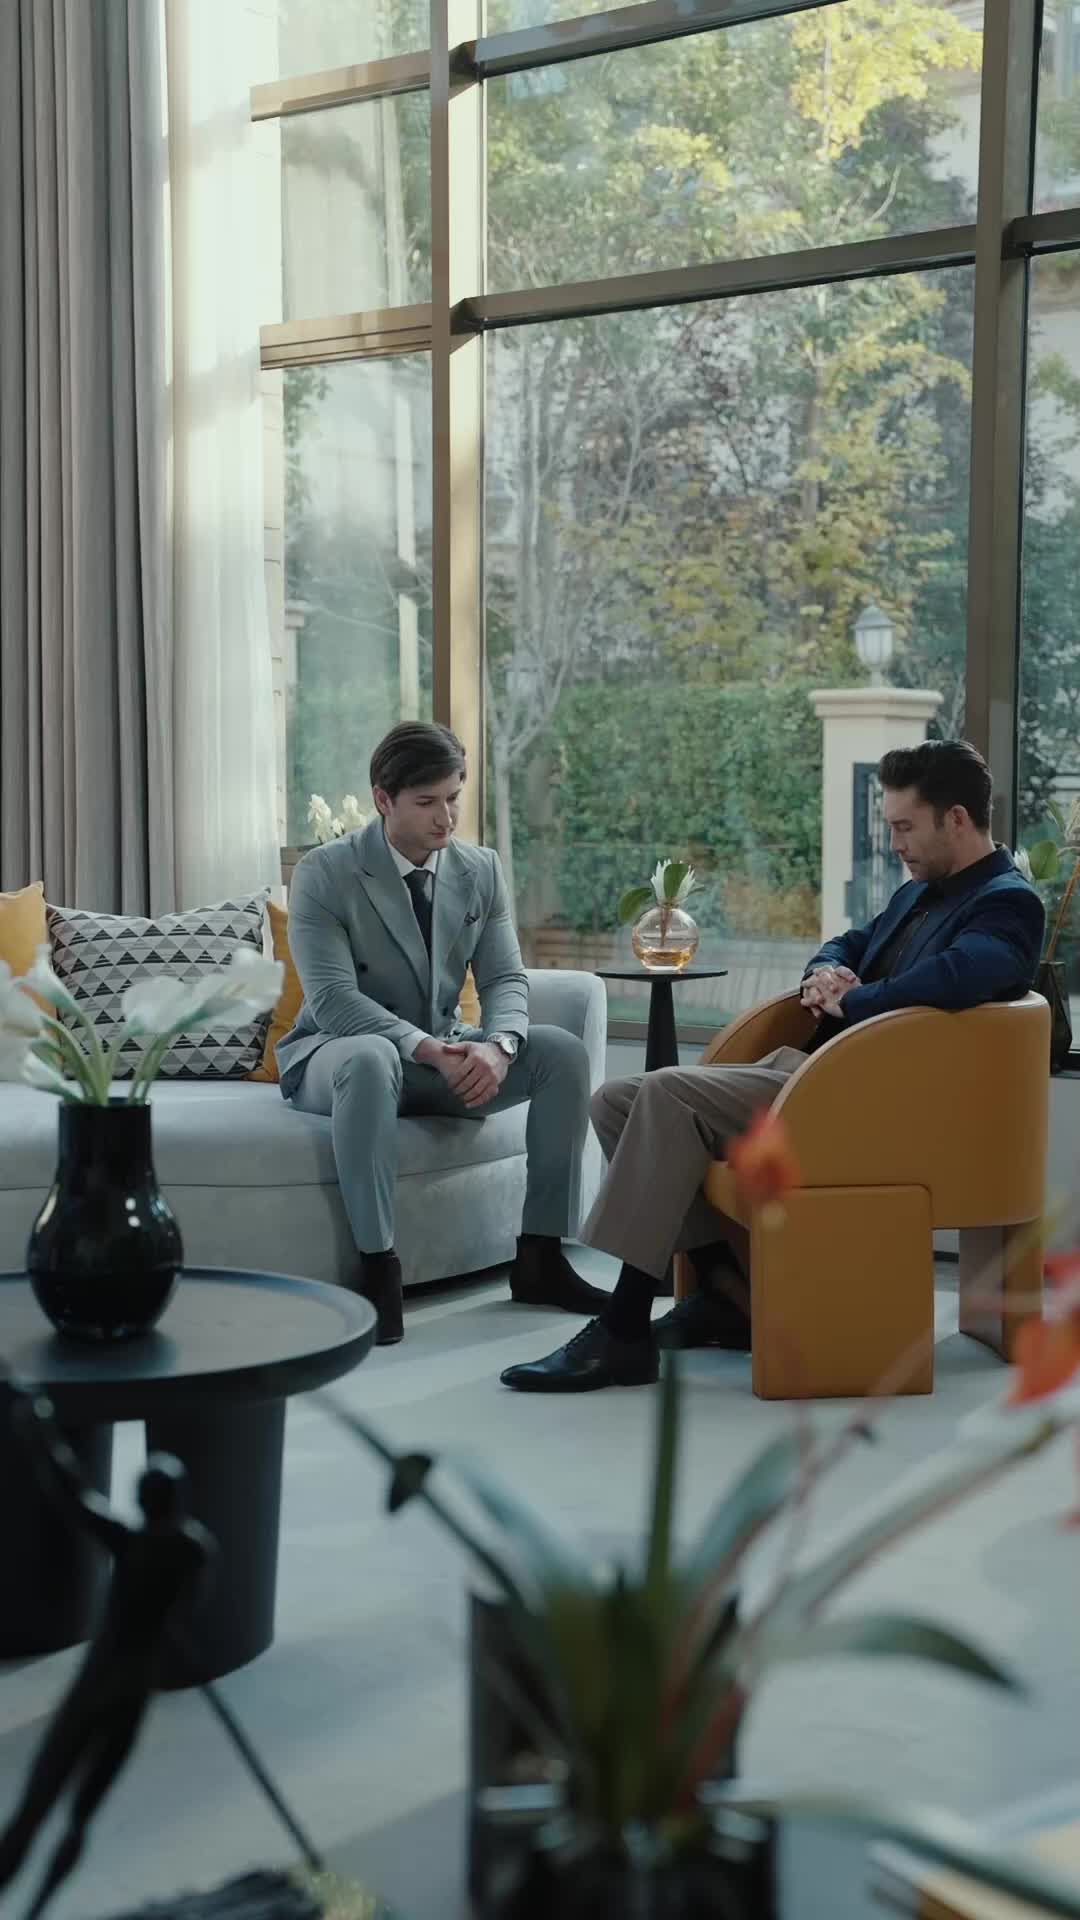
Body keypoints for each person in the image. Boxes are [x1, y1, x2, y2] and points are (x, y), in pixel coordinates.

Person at [501, 740, 1045, 1393]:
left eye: (905, 827)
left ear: (956, 819)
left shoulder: (1006, 901)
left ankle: (622, 1330)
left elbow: (965, 973)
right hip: (820, 1076)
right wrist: (825, 972)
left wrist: (855, 1000)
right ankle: (728, 1293)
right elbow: (849, 942)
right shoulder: (919, 891)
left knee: (667, 1096)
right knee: (614, 1100)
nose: (895, 843)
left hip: (872, 1099)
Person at [279, 721, 606, 1345]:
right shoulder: (325, 872)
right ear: (383, 799)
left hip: (441, 1053)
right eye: (427, 802)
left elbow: (505, 977)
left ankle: (541, 1258)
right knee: (371, 1058)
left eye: (454, 797)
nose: (447, 817)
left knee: (560, 1052)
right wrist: (427, 1047)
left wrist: (499, 1047)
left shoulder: (480, 868)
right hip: (337, 1056)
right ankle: (378, 1270)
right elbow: (334, 1001)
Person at [0, 1377, 214, 1919]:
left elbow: (72, 1492)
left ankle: (28, 1905)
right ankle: (36, 1908)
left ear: (143, 1501)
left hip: (99, 1685)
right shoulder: (194, 1550)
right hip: (132, 1689)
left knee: (38, 1805)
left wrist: (40, 1429)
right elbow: (186, 1617)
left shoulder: (135, 1542)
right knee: (78, 1815)